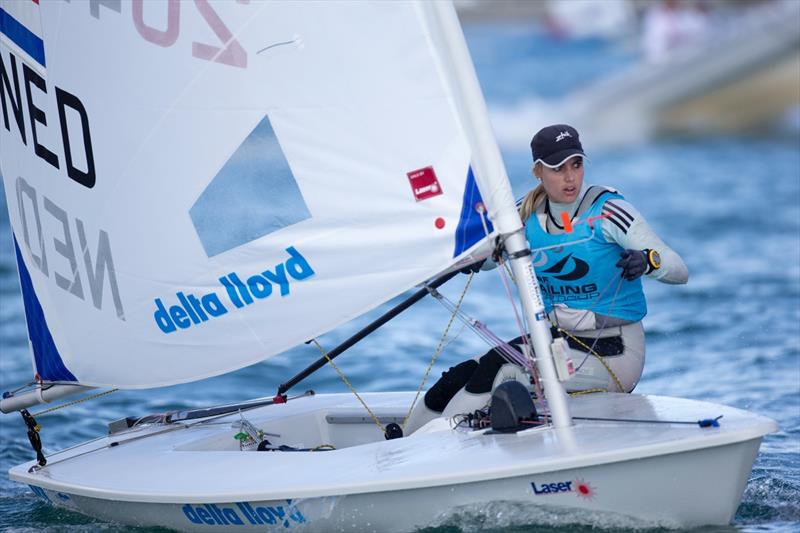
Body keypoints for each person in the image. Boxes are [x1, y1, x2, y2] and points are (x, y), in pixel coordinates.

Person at [405, 124, 688, 433]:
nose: (570, 177)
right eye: (558, 168)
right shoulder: (521, 216)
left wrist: (648, 261)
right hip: (556, 347)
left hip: (617, 354)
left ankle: (441, 444)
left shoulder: (609, 211)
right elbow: (478, 256)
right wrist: (454, 262)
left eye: (576, 165)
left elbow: (679, 269)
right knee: (458, 377)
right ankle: (404, 444)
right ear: (538, 171)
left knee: (503, 368)